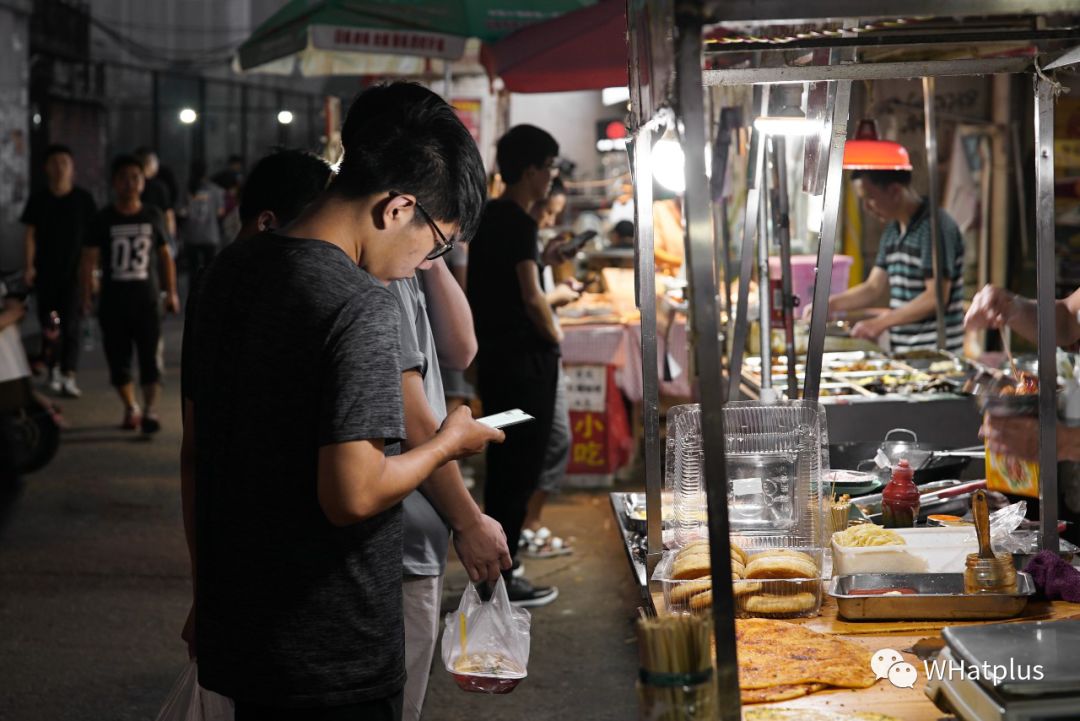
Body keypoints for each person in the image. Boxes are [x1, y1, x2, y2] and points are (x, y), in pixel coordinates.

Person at [181, 82, 503, 718]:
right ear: (397, 208)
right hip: (334, 648)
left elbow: (196, 457)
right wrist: (448, 443)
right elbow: (351, 494)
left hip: (242, 628)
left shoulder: (225, 273)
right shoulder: (359, 302)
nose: (422, 264)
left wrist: (206, 594)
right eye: (434, 244)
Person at [390, 260, 510, 720]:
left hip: (419, 524)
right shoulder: (377, 275)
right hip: (397, 533)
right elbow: (412, 421)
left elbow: (462, 349)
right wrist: (467, 519)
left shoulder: (408, 267)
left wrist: (434, 263)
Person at [467, 124, 567, 606]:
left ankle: (496, 572)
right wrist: (556, 333)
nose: (552, 177)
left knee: (505, 463)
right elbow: (532, 298)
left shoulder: (489, 218)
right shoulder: (521, 223)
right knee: (518, 466)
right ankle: (501, 578)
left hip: (498, 364)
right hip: (525, 368)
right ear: (530, 171)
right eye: (550, 167)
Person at [804, 167, 965, 352]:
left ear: (895, 191)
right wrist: (829, 303)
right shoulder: (892, 232)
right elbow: (873, 287)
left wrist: (879, 323)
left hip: (936, 355)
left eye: (869, 198)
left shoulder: (935, 227)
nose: (867, 208)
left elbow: (936, 297)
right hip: (905, 353)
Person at [82, 155, 179, 434]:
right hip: (113, 302)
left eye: (135, 177)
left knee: (150, 358)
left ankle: (150, 410)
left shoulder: (153, 215)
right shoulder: (103, 219)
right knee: (118, 359)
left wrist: (170, 291)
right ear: (114, 182)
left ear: (143, 181)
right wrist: (87, 294)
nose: (130, 183)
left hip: (147, 301)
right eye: (124, 177)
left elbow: (164, 256)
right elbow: (88, 259)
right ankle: (131, 407)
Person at [19, 144, 96, 397]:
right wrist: (29, 266)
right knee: (50, 323)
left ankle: (69, 374)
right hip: (46, 273)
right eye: (55, 162)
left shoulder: (83, 199)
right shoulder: (38, 199)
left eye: (65, 162)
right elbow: (30, 235)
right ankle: (52, 368)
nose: (60, 167)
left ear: (72, 167)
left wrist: (93, 274)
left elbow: (92, 244)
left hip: (74, 274)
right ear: (46, 168)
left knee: (72, 323)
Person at [177, 161, 225, 281]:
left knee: (193, 271)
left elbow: (180, 211)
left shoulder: (187, 189)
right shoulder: (216, 190)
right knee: (210, 270)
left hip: (191, 235)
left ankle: (194, 295)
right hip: (210, 235)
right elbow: (220, 212)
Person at [134, 147, 178, 240]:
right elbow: (168, 214)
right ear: (150, 162)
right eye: (156, 162)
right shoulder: (159, 187)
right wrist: (170, 238)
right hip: (157, 235)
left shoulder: (130, 187)